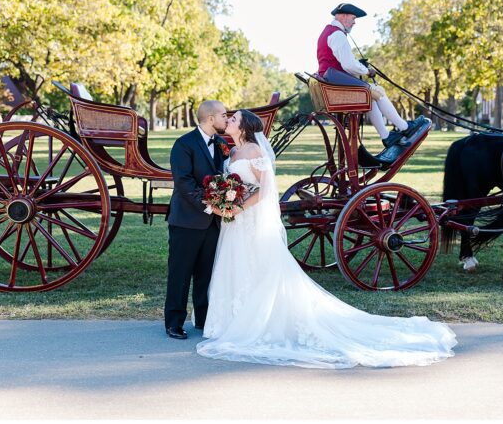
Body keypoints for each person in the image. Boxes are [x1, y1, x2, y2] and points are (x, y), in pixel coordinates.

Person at [197, 110, 456, 367]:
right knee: (236, 266)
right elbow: (235, 184)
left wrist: (237, 207)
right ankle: (231, 320)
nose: (228, 120)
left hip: (249, 219)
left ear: (243, 127)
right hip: (236, 224)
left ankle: (257, 321)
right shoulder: (232, 153)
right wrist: (224, 199)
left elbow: (265, 191)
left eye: (233, 119)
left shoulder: (254, 151)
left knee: (257, 266)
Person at [318, 3, 428, 166]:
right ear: (344, 16)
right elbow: (348, 64)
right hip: (334, 78)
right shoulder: (337, 35)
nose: (354, 22)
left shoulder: (329, 32)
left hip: (331, 78)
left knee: (369, 98)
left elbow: (344, 62)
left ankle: (386, 136)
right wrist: (366, 70)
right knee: (377, 92)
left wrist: (361, 67)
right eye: (353, 18)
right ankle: (404, 127)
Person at [164, 100, 228, 340]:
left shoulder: (221, 144)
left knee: (206, 274)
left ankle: (203, 320)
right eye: (223, 115)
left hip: (212, 223)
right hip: (186, 221)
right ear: (210, 118)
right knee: (180, 273)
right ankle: (173, 323)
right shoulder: (183, 144)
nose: (226, 118)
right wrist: (211, 204)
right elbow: (183, 182)